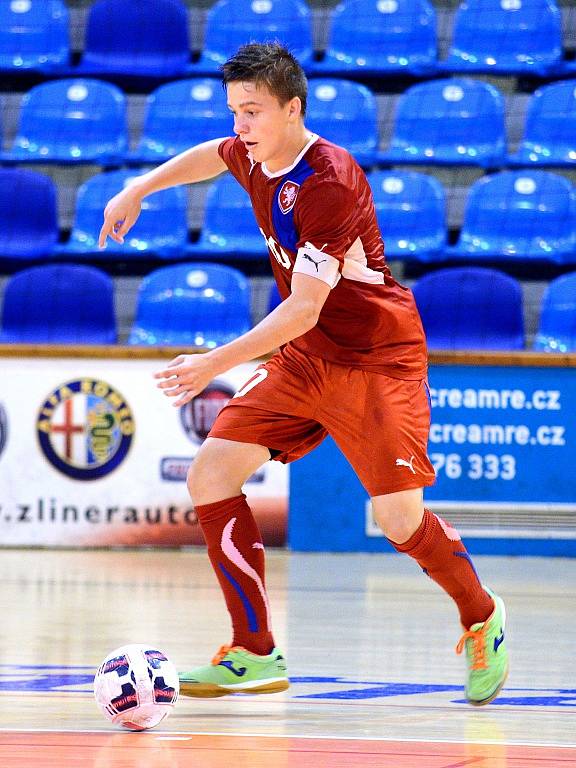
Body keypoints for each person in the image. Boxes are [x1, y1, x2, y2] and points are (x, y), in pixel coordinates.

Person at [99, 42, 508, 706]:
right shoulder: (254, 152)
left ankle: (482, 614)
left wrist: (212, 364)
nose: (241, 126)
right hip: (308, 355)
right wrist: (138, 186)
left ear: (293, 109)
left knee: (401, 521)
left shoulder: (329, 182)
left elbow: (303, 307)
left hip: (375, 359)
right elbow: (214, 155)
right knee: (212, 473)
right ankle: (254, 651)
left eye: (253, 111)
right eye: (235, 110)